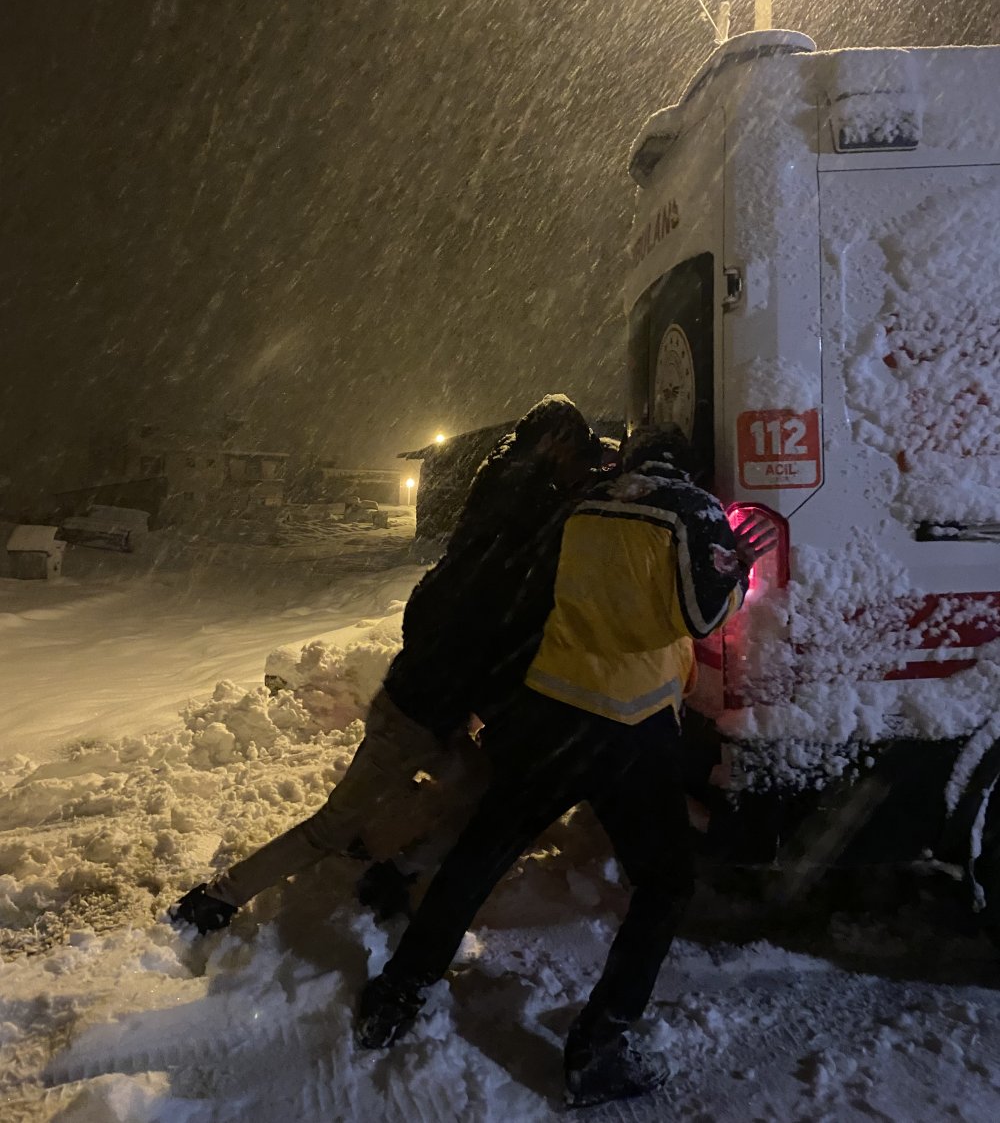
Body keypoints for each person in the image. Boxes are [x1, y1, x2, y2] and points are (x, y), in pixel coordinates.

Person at [354, 425, 778, 1108]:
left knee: (481, 854)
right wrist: (738, 565)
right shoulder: (694, 510)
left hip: (551, 711)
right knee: (665, 881)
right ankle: (598, 1044)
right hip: (630, 728)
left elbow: (534, 595)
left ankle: (396, 995)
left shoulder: (584, 502)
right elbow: (703, 617)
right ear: (690, 465)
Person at [170, 396, 603, 934]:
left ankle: (392, 869)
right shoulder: (507, 535)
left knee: (477, 788)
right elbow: (486, 615)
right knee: (328, 828)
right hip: (411, 714)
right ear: (553, 447)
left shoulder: (492, 524)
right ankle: (218, 898)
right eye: (572, 454)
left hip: (435, 712)